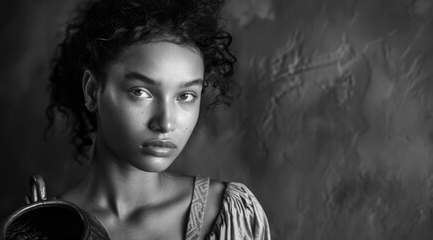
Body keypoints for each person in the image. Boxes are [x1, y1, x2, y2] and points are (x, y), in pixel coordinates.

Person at [45, 0, 271, 239]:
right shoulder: (43, 228)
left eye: (185, 96)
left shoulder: (229, 215)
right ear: (92, 91)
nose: (165, 123)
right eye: (140, 92)